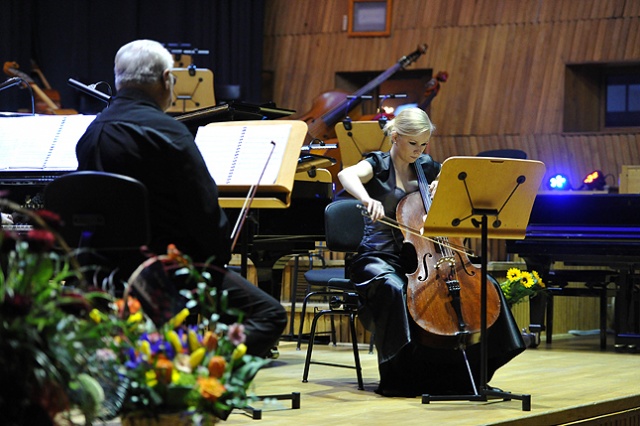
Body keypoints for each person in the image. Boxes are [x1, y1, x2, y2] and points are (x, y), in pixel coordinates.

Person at [75, 39, 287, 358]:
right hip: (168, 276)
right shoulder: (168, 133)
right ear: (165, 79)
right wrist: (216, 257)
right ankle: (196, 377)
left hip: (102, 275)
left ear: (119, 79)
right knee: (269, 315)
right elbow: (203, 211)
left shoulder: (91, 134)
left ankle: (173, 368)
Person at [337, 107, 525, 396]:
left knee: (487, 286)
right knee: (395, 289)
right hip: (379, 258)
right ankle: (403, 377)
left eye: (424, 144)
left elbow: (459, 193)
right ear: (395, 137)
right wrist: (365, 198)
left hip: (426, 258)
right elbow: (346, 174)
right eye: (413, 143)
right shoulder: (377, 163)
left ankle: (469, 374)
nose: (419, 150)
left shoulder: (427, 167)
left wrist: (443, 188)